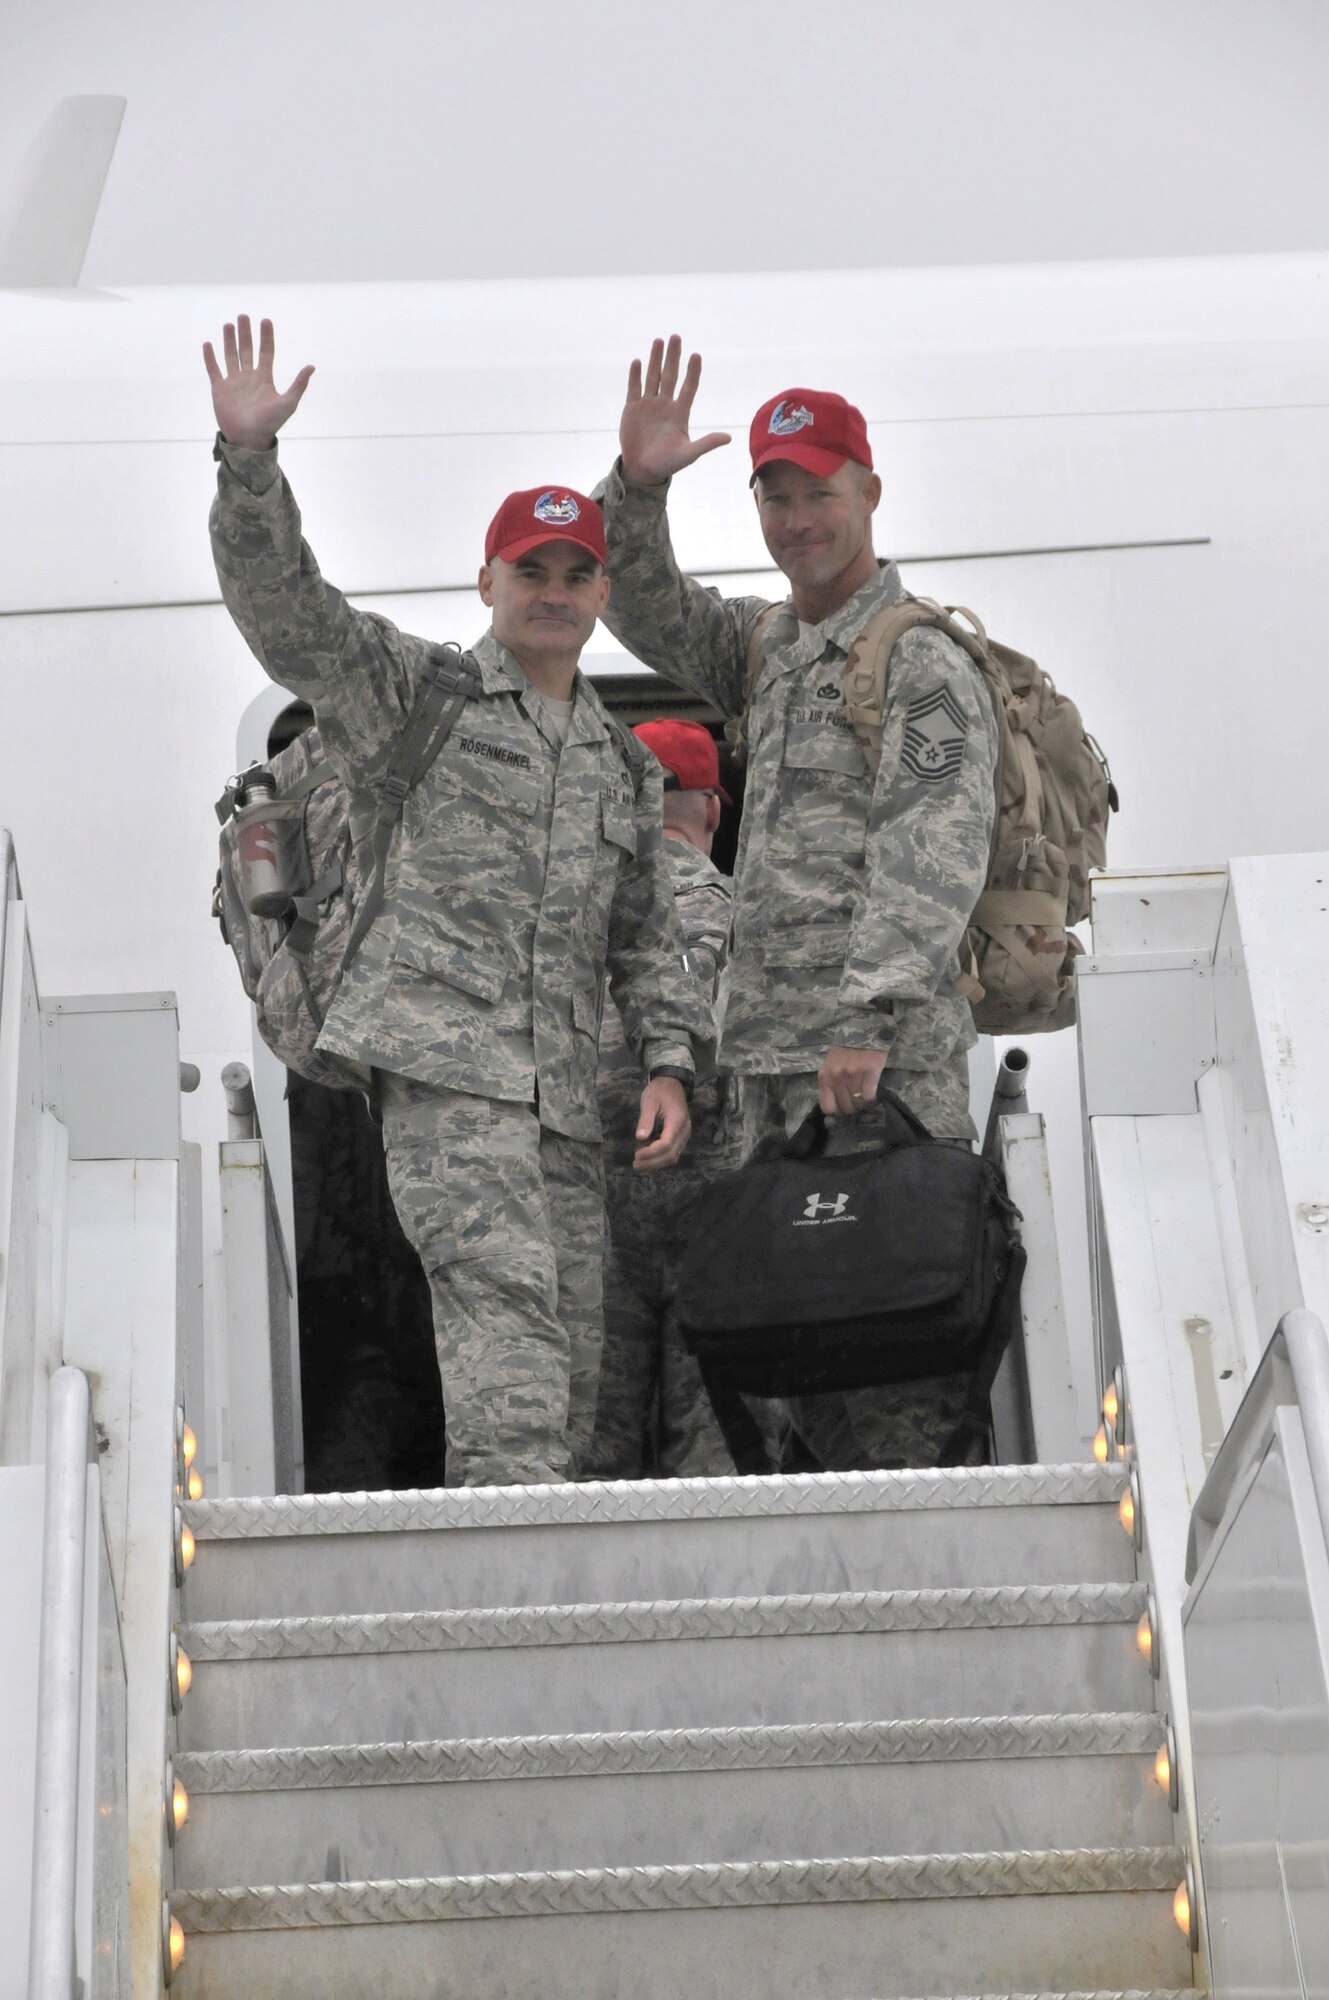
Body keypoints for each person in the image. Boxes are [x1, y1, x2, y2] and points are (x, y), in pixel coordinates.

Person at [205, 315, 707, 1488]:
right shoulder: (416, 700)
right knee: (513, 1356)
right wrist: (248, 465)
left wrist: (673, 1061)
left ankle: (544, 1598)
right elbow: (291, 614)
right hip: (448, 1079)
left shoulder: (619, 764)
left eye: (578, 572)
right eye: (531, 569)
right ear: (487, 581)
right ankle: (505, 1611)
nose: (556, 590)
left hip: (567, 1102)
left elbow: (642, 935)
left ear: (601, 592)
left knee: (574, 1377)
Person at [594, 337, 1000, 1471]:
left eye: (817, 492)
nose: (794, 520)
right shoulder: (772, 647)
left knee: (893, 1364)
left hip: (876, 1073)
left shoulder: (914, 660)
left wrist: (866, 1019)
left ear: (868, 490)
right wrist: (636, 490)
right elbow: (647, 605)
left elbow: (934, 842)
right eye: (774, 498)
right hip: (772, 1078)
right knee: (794, 1371)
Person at [587, 718, 739, 1481]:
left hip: (591, 1199)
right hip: (710, 1202)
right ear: (711, 809)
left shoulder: (582, 911)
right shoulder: (730, 906)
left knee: (594, 1427)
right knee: (710, 1423)